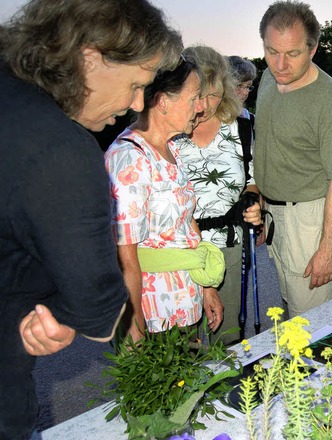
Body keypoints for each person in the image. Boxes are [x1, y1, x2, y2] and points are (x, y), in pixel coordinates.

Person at [0, 0, 181, 438]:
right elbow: (97, 302)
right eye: (136, 83)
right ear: (90, 57)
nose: (137, 102)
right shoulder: (62, 149)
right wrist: (57, 316)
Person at [244, 0, 332, 317]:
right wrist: (266, 208)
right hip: (275, 215)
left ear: (312, 48)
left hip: (310, 221)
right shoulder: (268, 79)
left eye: (292, 53)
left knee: (311, 323)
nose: (279, 64)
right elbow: (269, 146)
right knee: (289, 309)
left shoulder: (330, 102)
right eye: (271, 51)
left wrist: (325, 250)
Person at [105, 54, 225, 342]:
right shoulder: (129, 160)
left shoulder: (171, 149)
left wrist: (206, 286)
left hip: (185, 303)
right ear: (162, 102)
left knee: (191, 385)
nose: (201, 107)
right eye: (194, 97)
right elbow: (125, 257)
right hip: (154, 313)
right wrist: (134, 326)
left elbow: (186, 223)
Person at [175, 46, 259, 345]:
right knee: (185, 344)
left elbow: (252, 180)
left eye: (213, 94)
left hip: (228, 245)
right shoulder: (168, 129)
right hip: (179, 251)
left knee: (227, 339)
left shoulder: (242, 127)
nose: (204, 105)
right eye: (197, 95)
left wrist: (253, 202)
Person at [228, 55, 258, 123]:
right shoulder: (207, 118)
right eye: (239, 85)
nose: (245, 93)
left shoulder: (252, 120)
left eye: (248, 87)